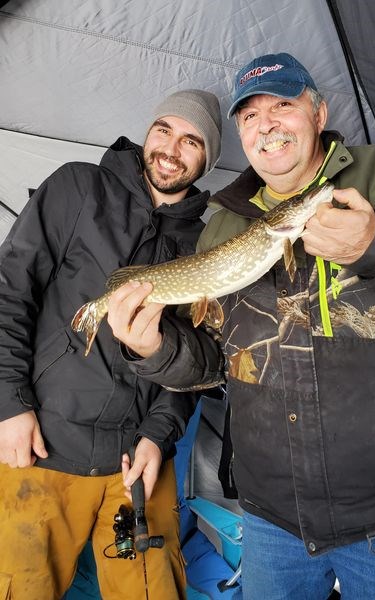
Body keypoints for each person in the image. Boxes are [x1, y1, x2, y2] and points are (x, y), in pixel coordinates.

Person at [106, 53, 375, 599]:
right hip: (271, 519)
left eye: (283, 104)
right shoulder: (222, 222)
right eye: (249, 114)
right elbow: (218, 360)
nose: (265, 122)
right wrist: (155, 349)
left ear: (319, 112)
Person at [0, 88, 222, 600]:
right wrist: (9, 402)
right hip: (40, 450)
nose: (171, 148)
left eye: (192, 141)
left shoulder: (207, 244)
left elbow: (192, 366)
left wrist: (158, 435)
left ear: (207, 159)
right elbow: (11, 291)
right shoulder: (78, 187)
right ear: (148, 132)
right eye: (164, 129)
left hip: (137, 466)